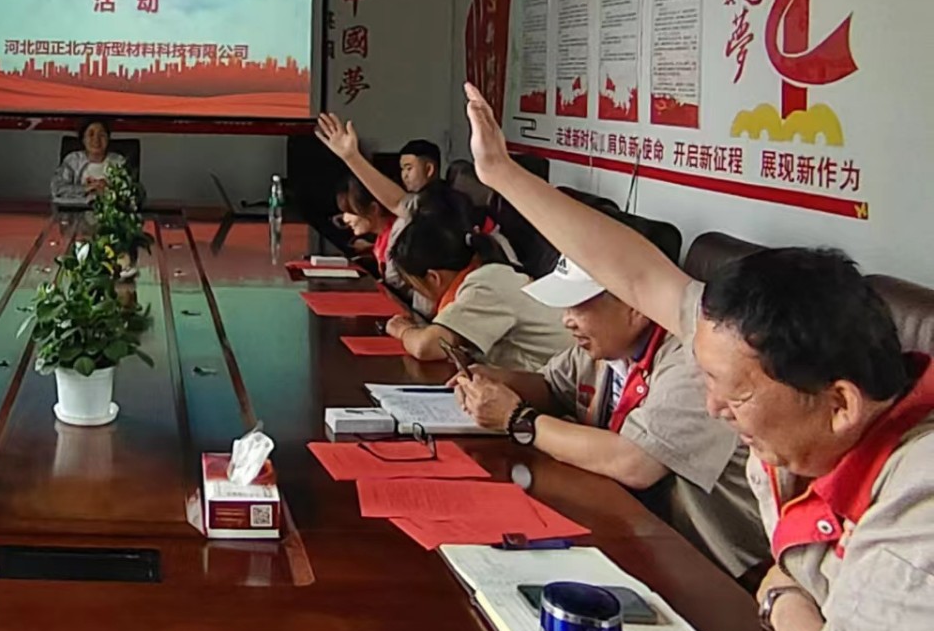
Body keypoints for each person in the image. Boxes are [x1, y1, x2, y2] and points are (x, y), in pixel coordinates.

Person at [462, 80, 934, 631]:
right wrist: (502, 174)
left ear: (840, 403)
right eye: (710, 380)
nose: (714, 407)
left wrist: (782, 596)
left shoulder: (917, 504)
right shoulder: (748, 347)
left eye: (735, 396)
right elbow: (638, 276)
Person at [454, 254, 766, 579]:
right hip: (631, 530)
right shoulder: (606, 348)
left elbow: (636, 463)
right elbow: (551, 387)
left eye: (578, 306)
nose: (566, 320)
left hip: (711, 565)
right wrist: (495, 380)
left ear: (635, 308)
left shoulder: (694, 363)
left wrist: (519, 420)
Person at [384, 214, 569, 370]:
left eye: (415, 286)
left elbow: (427, 347)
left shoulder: (486, 283)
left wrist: (403, 331)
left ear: (434, 278)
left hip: (558, 389)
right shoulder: (489, 274)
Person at [314, 114, 444, 227]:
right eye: (402, 169)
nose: (404, 175)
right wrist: (351, 157)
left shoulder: (441, 204)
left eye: (409, 168)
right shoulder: (421, 206)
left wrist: (352, 158)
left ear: (429, 169)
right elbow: (398, 203)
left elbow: (398, 203)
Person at [50, 119, 130, 208]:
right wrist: (87, 188)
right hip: (74, 213)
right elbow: (57, 189)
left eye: (102, 135)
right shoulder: (73, 160)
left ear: (108, 138)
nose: (96, 139)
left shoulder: (118, 161)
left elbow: (131, 194)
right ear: (83, 139)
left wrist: (108, 190)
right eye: (91, 134)